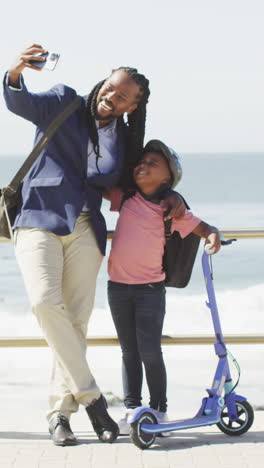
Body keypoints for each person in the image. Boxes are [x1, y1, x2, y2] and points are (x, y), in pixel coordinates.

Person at [3, 45, 185, 446]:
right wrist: (15, 71)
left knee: (76, 321)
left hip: (86, 226)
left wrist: (177, 200)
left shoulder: (124, 139)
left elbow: (143, 186)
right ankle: (94, 399)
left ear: (132, 106)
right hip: (39, 217)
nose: (110, 96)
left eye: (122, 96)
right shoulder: (64, 101)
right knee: (44, 302)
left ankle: (59, 414)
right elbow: (20, 101)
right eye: (110, 87)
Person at [106, 139, 221, 435]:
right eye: (141, 162)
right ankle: (132, 408)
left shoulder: (171, 209)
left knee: (150, 350)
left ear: (167, 178)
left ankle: (159, 409)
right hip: (117, 288)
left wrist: (212, 236)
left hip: (150, 290)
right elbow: (97, 185)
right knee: (128, 351)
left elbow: (204, 228)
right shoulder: (125, 198)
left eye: (152, 164)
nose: (143, 166)